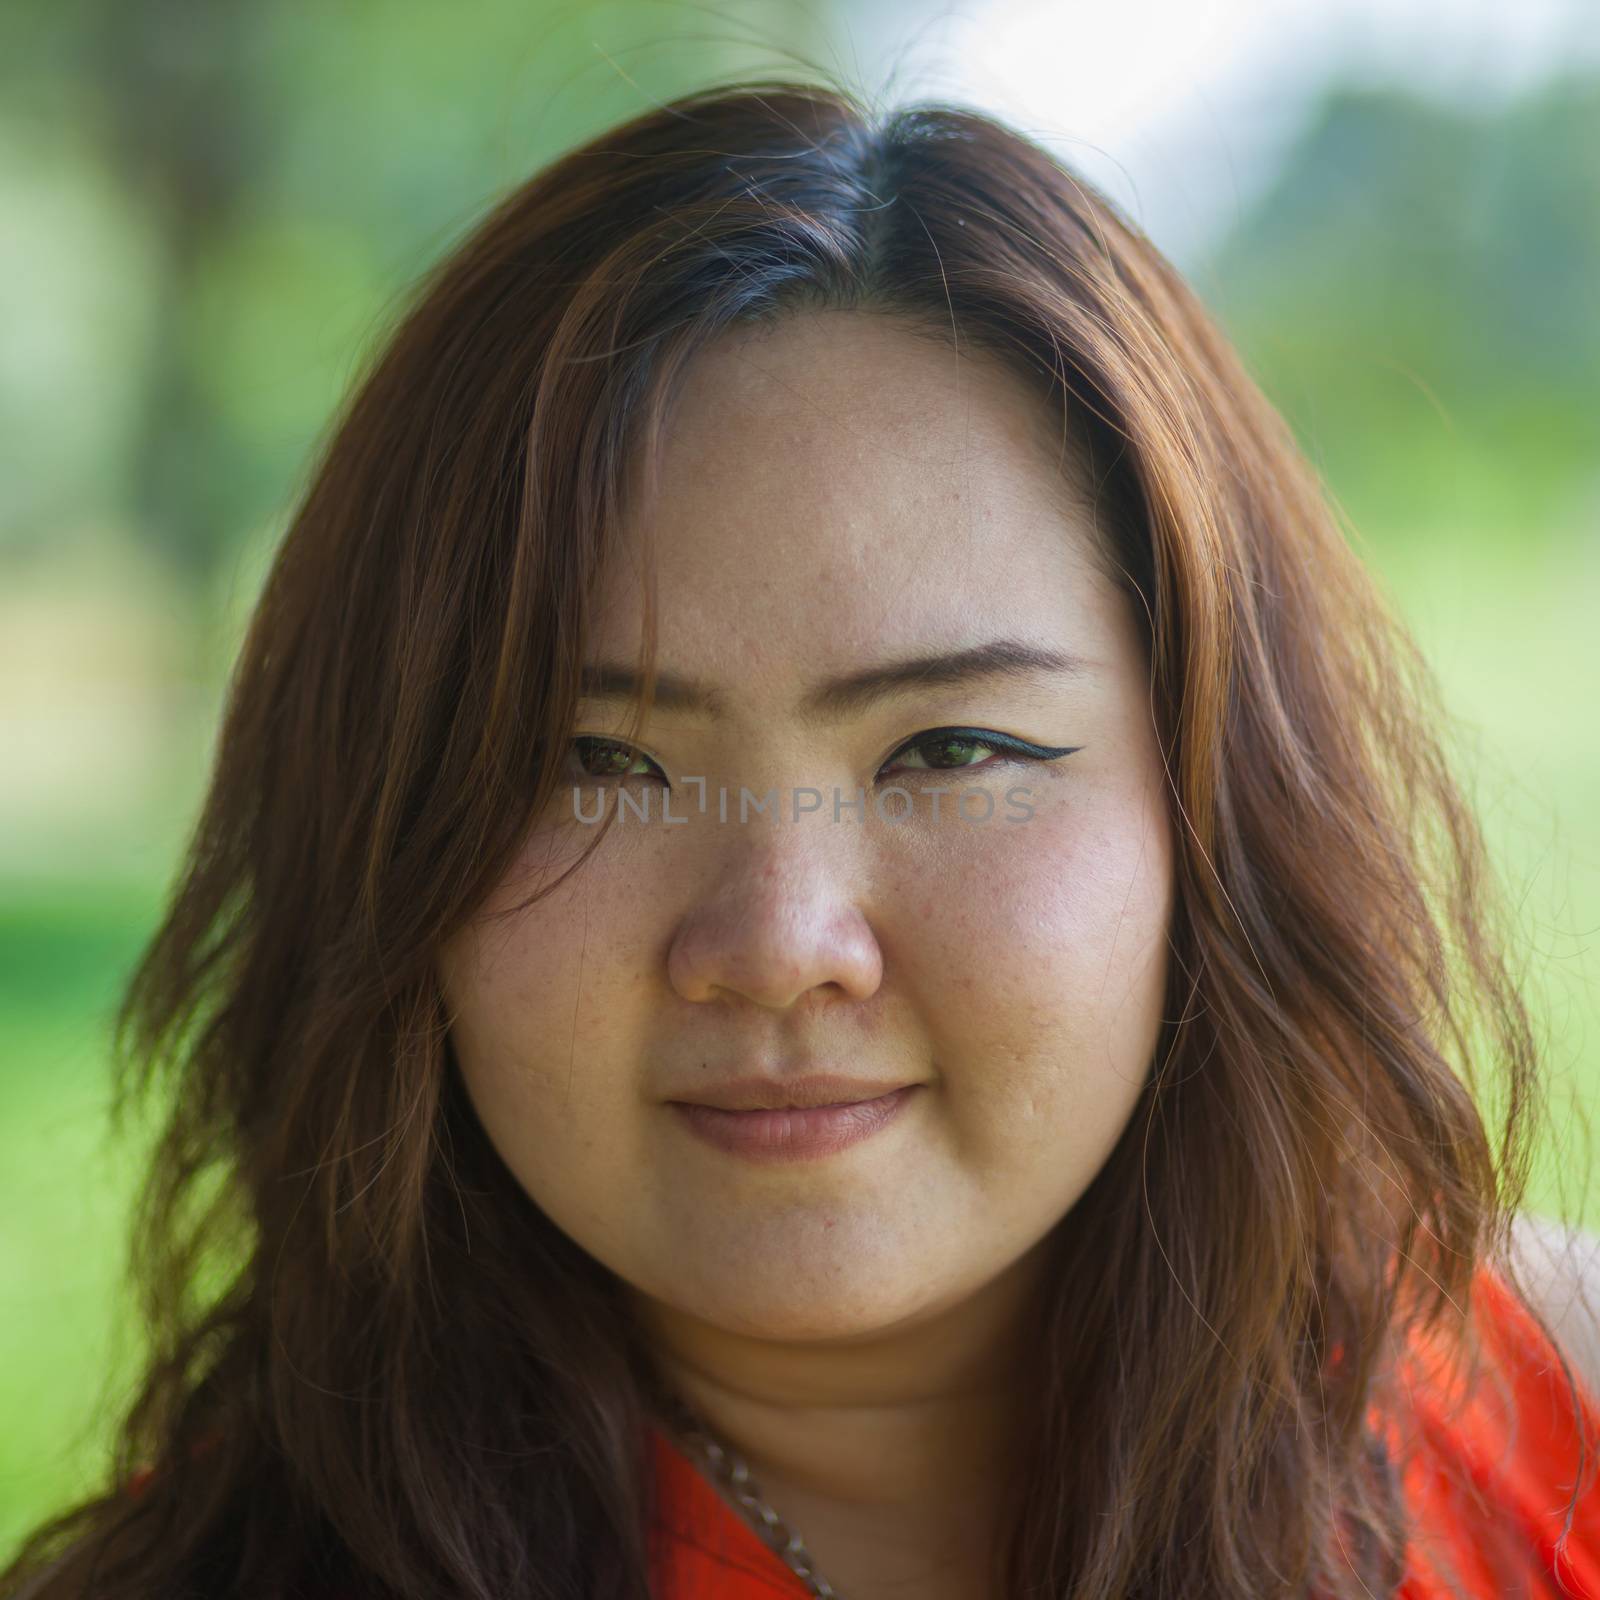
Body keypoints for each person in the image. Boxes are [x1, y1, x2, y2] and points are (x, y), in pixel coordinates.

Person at [4, 75, 1598, 1600]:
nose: (777, 943)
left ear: (1213, 811)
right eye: (597, 762)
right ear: (386, 839)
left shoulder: (1560, 1431)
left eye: (951, 748)